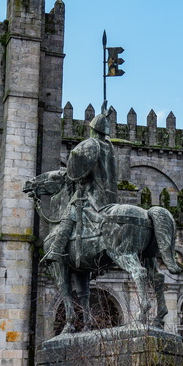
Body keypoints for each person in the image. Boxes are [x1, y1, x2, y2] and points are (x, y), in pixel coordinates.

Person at [44, 104, 117, 265]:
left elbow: (76, 169)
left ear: (93, 129)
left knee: (67, 216)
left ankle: (56, 249)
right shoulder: (109, 147)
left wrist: (72, 175)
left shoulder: (91, 144)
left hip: (91, 194)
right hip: (110, 197)